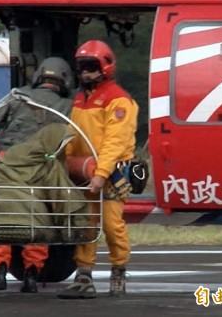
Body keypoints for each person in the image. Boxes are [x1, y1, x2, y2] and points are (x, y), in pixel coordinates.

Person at [57, 40, 139, 299]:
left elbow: (116, 141)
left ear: (104, 67)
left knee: (112, 225)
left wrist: (101, 174)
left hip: (112, 173)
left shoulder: (119, 101)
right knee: (86, 223)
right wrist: (63, 163)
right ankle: (83, 275)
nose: (85, 73)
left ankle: (118, 269)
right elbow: (72, 134)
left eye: (91, 67)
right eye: (81, 68)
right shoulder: (80, 99)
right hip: (84, 171)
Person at [0, 57, 74, 293]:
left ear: (38, 76)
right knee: (38, 217)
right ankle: (32, 274)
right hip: (40, 166)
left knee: (3, 216)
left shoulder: (17, 94)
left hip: (9, 160)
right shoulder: (68, 105)